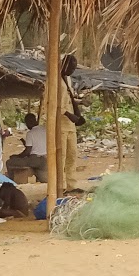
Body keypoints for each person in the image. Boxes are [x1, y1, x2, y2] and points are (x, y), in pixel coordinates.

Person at [55, 55, 87, 193]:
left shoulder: (67, 80)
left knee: (72, 155)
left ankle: (71, 185)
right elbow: (54, 105)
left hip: (70, 125)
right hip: (60, 124)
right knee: (61, 157)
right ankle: (59, 185)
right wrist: (70, 115)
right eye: (71, 67)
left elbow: (68, 102)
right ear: (64, 65)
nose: (73, 70)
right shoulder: (55, 82)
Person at [6, 113, 49, 183]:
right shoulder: (44, 130)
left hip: (35, 159)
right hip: (46, 158)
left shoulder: (30, 133)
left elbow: (28, 151)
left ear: (28, 122)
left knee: (9, 162)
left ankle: (11, 182)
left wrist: (17, 156)